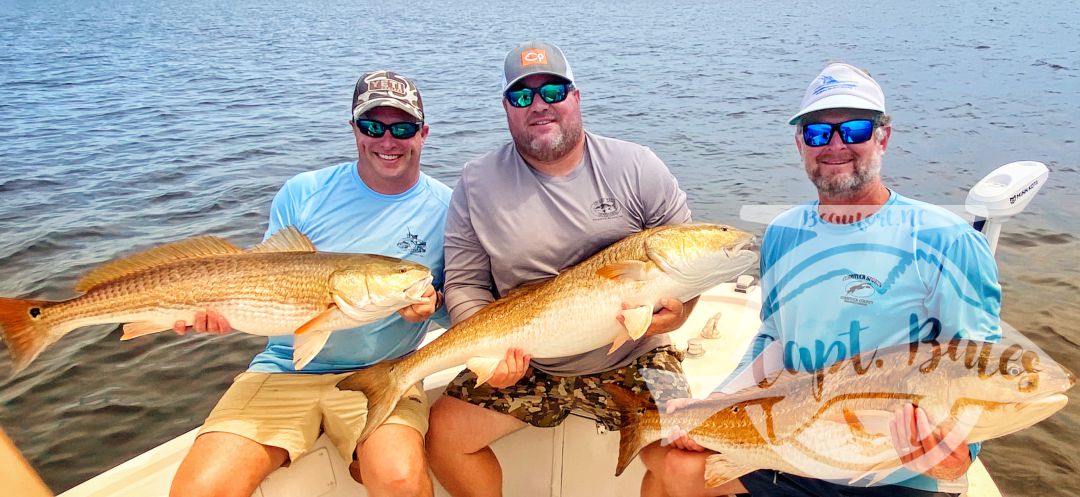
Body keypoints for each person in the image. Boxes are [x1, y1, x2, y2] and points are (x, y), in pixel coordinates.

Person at [661, 62, 1002, 497]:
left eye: (854, 129)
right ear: (801, 143)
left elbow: (981, 365)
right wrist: (715, 404)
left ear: (884, 136)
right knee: (674, 466)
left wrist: (962, 452)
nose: (836, 144)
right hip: (792, 448)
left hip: (892, 467)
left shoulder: (946, 240)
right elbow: (773, 336)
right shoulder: (784, 232)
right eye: (819, 132)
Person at [424, 40, 697, 497]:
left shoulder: (637, 167)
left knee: (686, 461)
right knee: (444, 437)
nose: (538, 106)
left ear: (576, 96)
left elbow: (686, 264)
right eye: (521, 95)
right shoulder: (476, 183)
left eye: (552, 91)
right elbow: (467, 282)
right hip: (531, 360)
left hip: (635, 353)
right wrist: (492, 358)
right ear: (506, 108)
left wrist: (682, 311)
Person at [168, 70, 452, 497]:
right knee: (200, 490)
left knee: (402, 482)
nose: (387, 141)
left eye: (403, 127)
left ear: (423, 132)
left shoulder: (450, 208)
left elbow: (458, 307)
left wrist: (434, 303)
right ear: (354, 129)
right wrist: (219, 313)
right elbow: (261, 285)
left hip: (383, 374)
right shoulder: (303, 193)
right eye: (372, 126)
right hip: (282, 370)